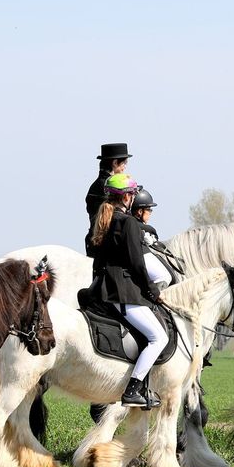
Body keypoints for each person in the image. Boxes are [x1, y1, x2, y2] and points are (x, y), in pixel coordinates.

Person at [89, 173, 168, 405]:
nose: (133, 198)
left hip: (105, 287)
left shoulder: (105, 219)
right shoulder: (129, 223)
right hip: (123, 292)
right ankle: (132, 390)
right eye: (132, 194)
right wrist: (152, 289)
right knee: (158, 338)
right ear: (125, 197)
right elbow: (137, 263)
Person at [85, 143, 131, 259]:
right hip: (108, 244)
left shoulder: (97, 185)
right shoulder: (109, 188)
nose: (125, 168)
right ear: (115, 163)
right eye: (124, 163)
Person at [131, 187, 174, 289]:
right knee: (164, 276)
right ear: (140, 211)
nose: (150, 212)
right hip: (138, 254)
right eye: (149, 209)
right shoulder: (137, 226)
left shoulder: (144, 228)